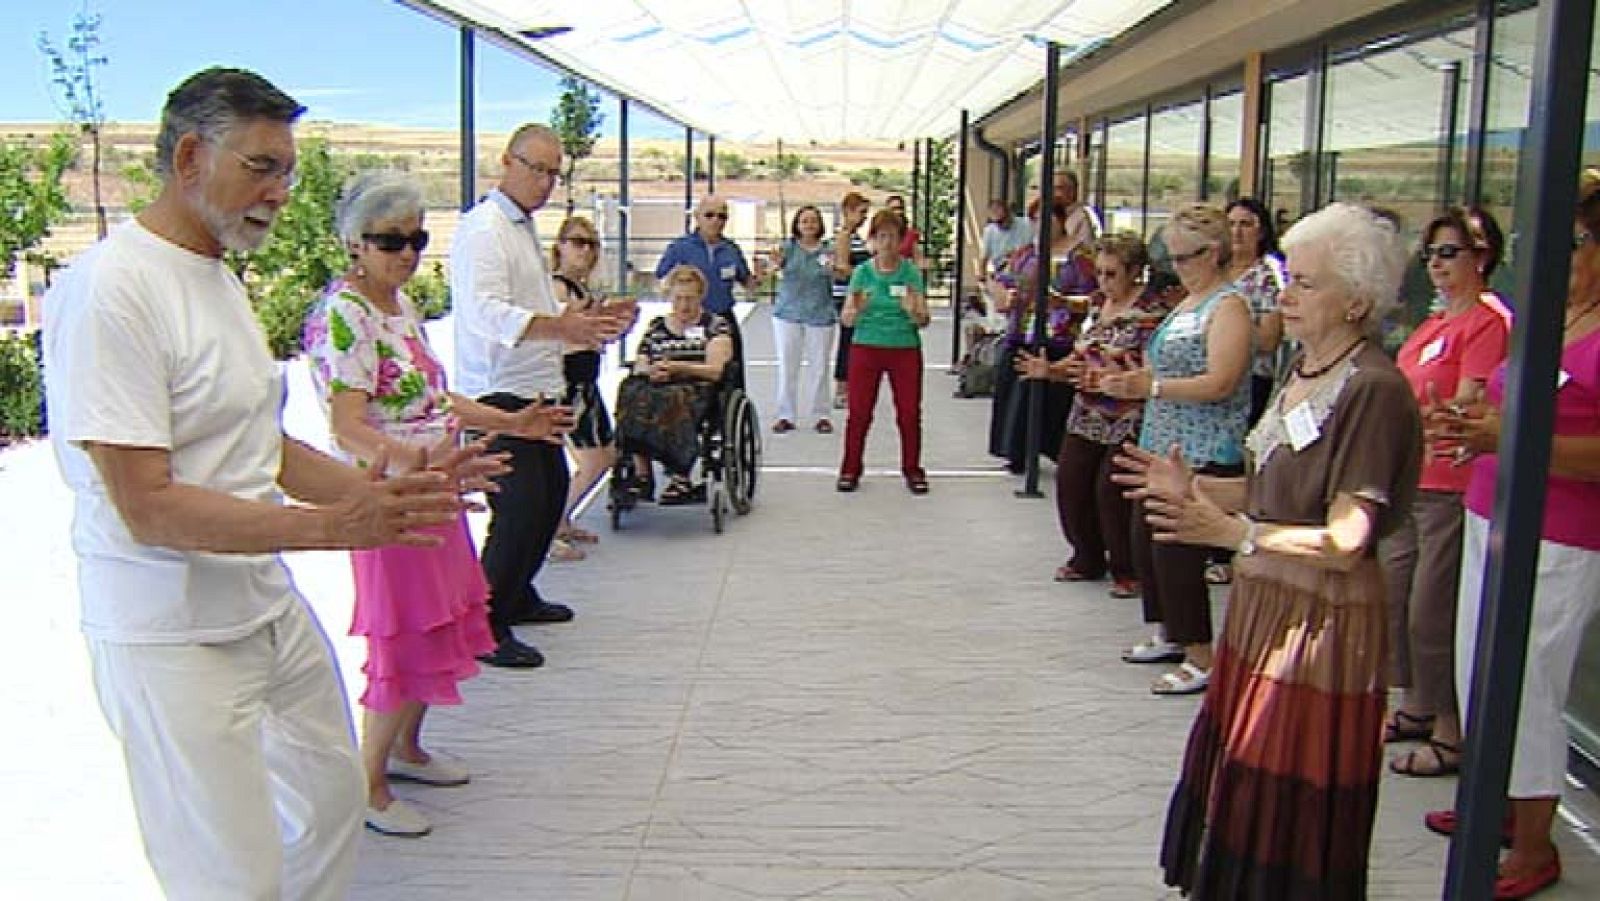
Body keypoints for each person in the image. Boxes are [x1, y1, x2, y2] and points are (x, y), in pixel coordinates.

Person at [41, 67, 486, 899]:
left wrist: (391, 488)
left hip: (258, 603)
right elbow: (147, 503)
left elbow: (262, 443)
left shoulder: (214, 274)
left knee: (328, 800)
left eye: (286, 170)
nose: (281, 191)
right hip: (169, 632)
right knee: (228, 873)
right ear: (187, 157)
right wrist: (332, 528)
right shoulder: (111, 291)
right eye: (261, 166)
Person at [1116, 202, 1420, 899]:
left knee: (1289, 786)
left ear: (1357, 302)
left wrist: (1233, 534)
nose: (1286, 294)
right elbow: (1273, 489)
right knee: (1245, 774)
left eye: (1307, 283)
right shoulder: (1309, 369)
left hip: (1320, 618)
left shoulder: (1371, 388)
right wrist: (1201, 489)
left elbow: (1346, 539)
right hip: (1267, 599)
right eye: (1291, 276)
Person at [304, 170, 573, 837]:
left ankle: (407, 747)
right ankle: (368, 782)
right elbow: (348, 426)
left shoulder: (398, 307)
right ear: (354, 244)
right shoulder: (344, 314)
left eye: (416, 240)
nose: (405, 253)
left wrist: (513, 423)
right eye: (389, 240)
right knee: (405, 630)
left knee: (450, 615)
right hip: (393, 497)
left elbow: (434, 400)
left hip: (438, 489)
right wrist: (414, 465)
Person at [1423, 172, 1600, 900]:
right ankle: (1495, 800)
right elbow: (1508, 408)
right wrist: (1478, 434)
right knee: (1482, 666)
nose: (1558, 251)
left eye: (1577, 238)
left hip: (1559, 533)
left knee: (1529, 681)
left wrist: (1515, 437)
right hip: (1490, 513)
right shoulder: (1551, 315)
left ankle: (1533, 843)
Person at [451, 122, 627, 669]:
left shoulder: (520, 228)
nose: (546, 181)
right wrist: (562, 331)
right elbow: (485, 311)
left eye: (554, 172)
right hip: (500, 392)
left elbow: (537, 308)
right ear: (507, 162)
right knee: (519, 509)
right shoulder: (484, 229)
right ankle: (484, 621)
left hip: (536, 385)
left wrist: (586, 323)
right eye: (537, 168)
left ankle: (518, 594)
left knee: (549, 495)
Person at [1378, 207, 1509, 781]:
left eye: (1449, 253)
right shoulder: (1433, 322)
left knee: (1434, 613)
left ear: (1482, 256)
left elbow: (1468, 400)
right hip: (1411, 480)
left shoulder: (1486, 320)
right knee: (1397, 598)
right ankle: (1416, 704)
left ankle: (1450, 730)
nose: (1436, 265)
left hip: (1450, 486)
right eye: (1430, 254)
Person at [1100, 203, 1252, 695]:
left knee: (1177, 548)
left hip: (1200, 446)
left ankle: (1200, 652)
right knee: (1147, 541)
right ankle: (1169, 630)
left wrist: (1154, 386)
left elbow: (1222, 380)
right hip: (1161, 440)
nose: (1179, 266)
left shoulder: (1227, 306)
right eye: (1174, 258)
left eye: (1187, 257)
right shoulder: (1188, 303)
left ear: (1214, 253)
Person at [1016, 232, 1171, 597]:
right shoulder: (1100, 304)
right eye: (1100, 272)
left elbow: (1153, 371)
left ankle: (1125, 567)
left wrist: (1112, 379)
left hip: (1128, 414)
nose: (1104, 281)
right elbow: (1083, 353)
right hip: (1087, 410)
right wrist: (1050, 370)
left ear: (1135, 272)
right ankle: (1086, 556)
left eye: (1112, 273)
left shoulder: (1150, 317)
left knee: (1111, 490)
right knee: (1071, 482)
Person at [986, 196, 1097, 474]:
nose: (1040, 225)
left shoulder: (1080, 256)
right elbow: (1000, 278)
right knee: (1016, 393)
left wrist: (1066, 303)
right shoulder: (1025, 253)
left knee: (1053, 398)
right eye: (1035, 219)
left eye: (1047, 218)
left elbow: (1095, 296)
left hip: (1058, 336)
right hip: (1021, 331)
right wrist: (1003, 294)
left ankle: (1052, 448)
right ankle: (1016, 451)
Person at [615, 264, 735, 504]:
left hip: (696, 386)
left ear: (701, 296)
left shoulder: (714, 325)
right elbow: (641, 361)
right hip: (657, 383)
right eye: (678, 298)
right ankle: (642, 473)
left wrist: (679, 368)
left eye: (690, 298)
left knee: (672, 398)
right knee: (630, 391)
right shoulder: (657, 327)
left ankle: (681, 476)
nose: (684, 305)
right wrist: (651, 371)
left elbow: (715, 370)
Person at [836, 210, 932, 494]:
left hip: (904, 348)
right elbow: (846, 318)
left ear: (902, 240)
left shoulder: (910, 273)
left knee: (909, 412)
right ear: (873, 240)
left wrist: (914, 313)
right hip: (866, 346)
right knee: (860, 412)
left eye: (893, 236)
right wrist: (856, 310)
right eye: (881, 236)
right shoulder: (863, 273)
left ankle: (912, 468)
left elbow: (923, 318)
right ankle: (850, 468)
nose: (887, 243)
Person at [550, 215, 621, 561]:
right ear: (560, 246)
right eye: (577, 242)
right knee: (591, 459)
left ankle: (561, 518)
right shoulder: (559, 289)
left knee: (604, 455)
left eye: (591, 244)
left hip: (586, 379)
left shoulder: (580, 290)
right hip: (569, 382)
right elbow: (561, 335)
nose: (585, 251)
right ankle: (551, 526)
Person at [770, 205, 838, 434]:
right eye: (804, 221)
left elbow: (839, 275)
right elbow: (771, 269)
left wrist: (834, 268)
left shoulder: (829, 250)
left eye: (813, 221)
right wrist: (773, 263)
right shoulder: (787, 248)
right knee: (788, 366)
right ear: (797, 225)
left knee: (819, 367)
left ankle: (821, 414)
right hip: (788, 313)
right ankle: (785, 414)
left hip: (820, 314)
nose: (809, 225)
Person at [1225, 197, 1287, 426]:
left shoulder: (1267, 279)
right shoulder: (1214, 272)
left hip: (1249, 379)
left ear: (1260, 232)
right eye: (1231, 224)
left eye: (1245, 225)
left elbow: (1269, 340)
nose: (1236, 232)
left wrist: (1226, 330)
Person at [655, 194, 765, 320]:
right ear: (697, 217)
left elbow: (748, 284)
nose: (715, 220)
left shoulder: (732, 250)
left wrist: (760, 275)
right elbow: (661, 279)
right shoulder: (679, 248)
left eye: (721, 216)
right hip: (690, 318)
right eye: (709, 215)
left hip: (723, 316)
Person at [831, 192, 872, 411]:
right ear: (848, 211)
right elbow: (842, 267)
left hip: (856, 295)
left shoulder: (855, 237)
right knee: (847, 342)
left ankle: (849, 386)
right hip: (848, 296)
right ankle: (841, 388)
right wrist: (867, 273)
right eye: (861, 212)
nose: (864, 218)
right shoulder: (844, 236)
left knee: (853, 342)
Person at [980, 199, 1032, 278]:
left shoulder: (1025, 224)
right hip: (1002, 271)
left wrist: (1020, 252)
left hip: (1024, 269)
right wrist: (982, 275)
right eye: (998, 222)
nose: (1002, 224)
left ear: (1009, 213)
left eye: (1004, 219)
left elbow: (1034, 245)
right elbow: (984, 257)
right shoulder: (989, 231)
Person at [884, 194, 927, 267]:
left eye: (900, 208)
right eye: (894, 209)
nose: (898, 212)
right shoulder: (878, 232)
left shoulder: (911, 234)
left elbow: (918, 260)